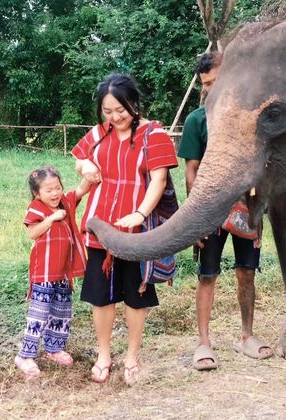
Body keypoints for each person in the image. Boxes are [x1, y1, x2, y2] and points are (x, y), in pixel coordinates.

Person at [72, 73, 178, 384]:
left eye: (121, 109)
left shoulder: (154, 135)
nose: (115, 117)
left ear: (134, 103)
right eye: (108, 111)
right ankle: (104, 353)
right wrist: (85, 166)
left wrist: (140, 213)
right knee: (101, 296)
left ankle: (132, 355)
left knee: (136, 295)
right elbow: (79, 158)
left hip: (136, 231)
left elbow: (158, 179)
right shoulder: (100, 133)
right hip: (99, 226)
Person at [178, 52, 273, 371]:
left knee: (247, 272)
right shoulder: (196, 120)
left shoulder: (252, 116)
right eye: (206, 84)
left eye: (217, 80)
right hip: (211, 210)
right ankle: (203, 343)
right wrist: (197, 216)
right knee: (208, 276)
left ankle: (246, 336)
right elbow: (191, 170)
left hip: (246, 205)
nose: (211, 88)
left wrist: (259, 209)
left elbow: (263, 165)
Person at [15, 165, 91, 379]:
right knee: (38, 314)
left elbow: (81, 189)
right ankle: (25, 355)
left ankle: (53, 349)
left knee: (61, 312)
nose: (55, 193)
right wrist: (50, 219)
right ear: (37, 193)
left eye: (57, 187)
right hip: (44, 272)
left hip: (63, 272)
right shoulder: (36, 209)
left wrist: (89, 174)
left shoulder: (65, 202)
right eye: (48, 190)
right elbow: (32, 233)